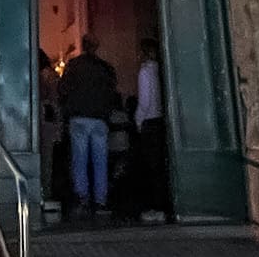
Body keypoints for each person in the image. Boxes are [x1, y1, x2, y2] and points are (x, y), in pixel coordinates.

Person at [58, 33, 118, 219]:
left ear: (83, 46)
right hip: (99, 119)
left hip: (79, 118)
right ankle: (101, 200)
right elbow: (113, 92)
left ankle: (82, 199)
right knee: (100, 161)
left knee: (80, 160)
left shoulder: (74, 66)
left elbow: (63, 89)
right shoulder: (105, 68)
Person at [132, 37, 176, 224]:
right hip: (160, 121)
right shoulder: (161, 70)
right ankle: (164, 206)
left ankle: (155, 208)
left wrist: (138, 120)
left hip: (149, 123)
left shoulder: (145, 72)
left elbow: (144, 100)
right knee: (160, 165)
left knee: (151, 167)